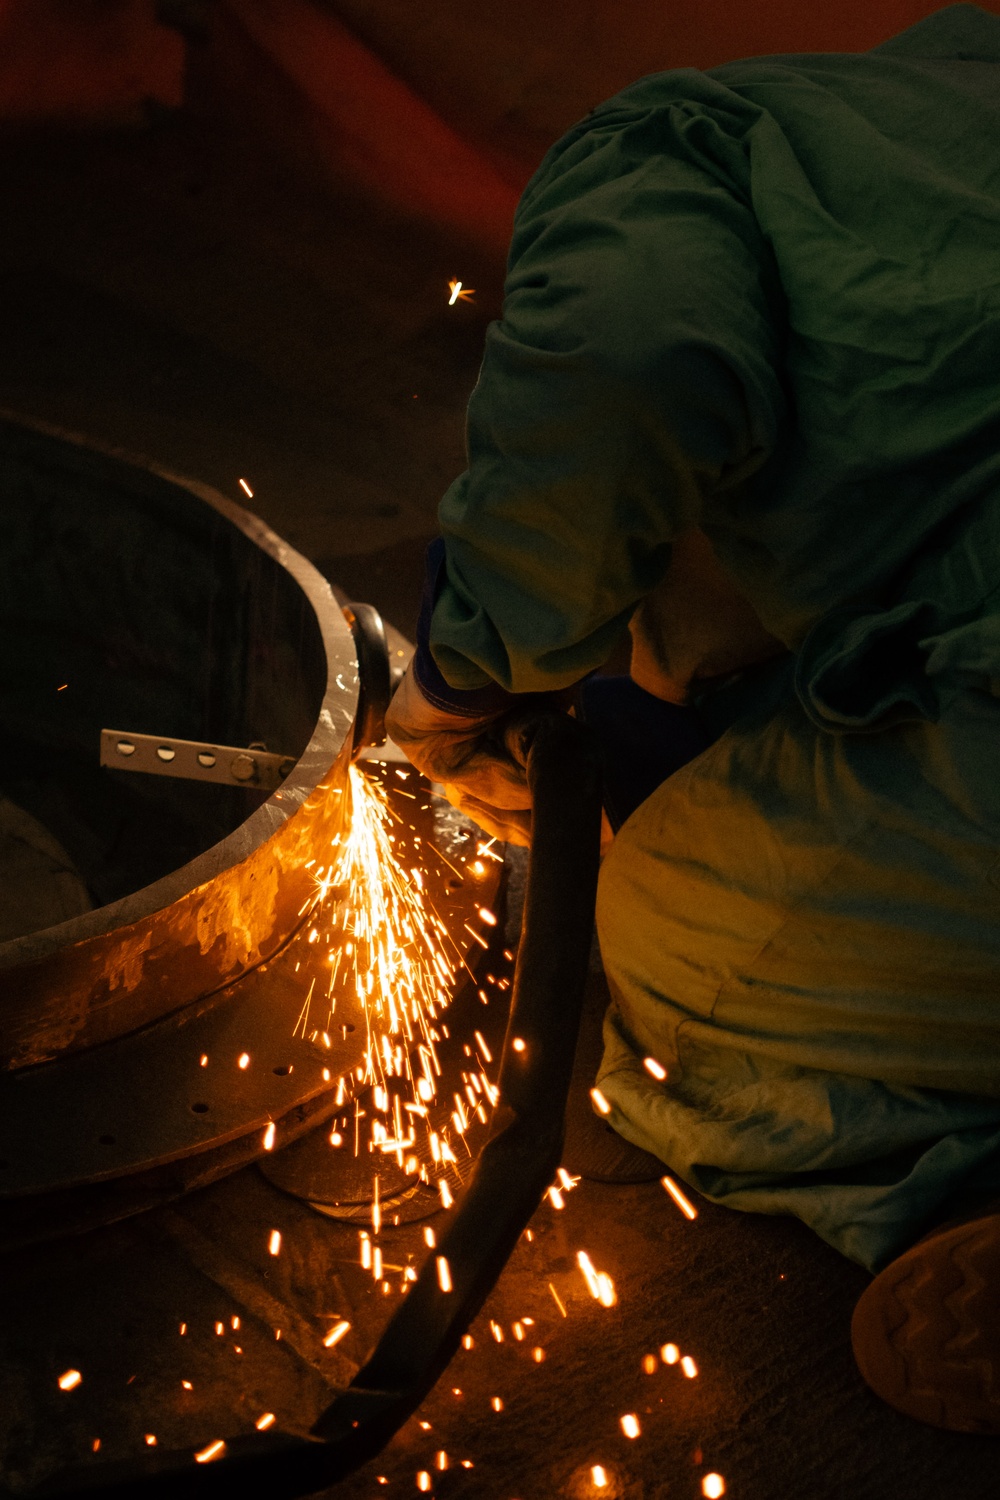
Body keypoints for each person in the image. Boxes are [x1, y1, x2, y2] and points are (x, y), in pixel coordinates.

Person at [385, 2, 1000, 1435]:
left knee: (678, 957)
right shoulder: (908, 116)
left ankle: (946, 1173)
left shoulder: (642, 167)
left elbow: (623, 362)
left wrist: (463, 679)